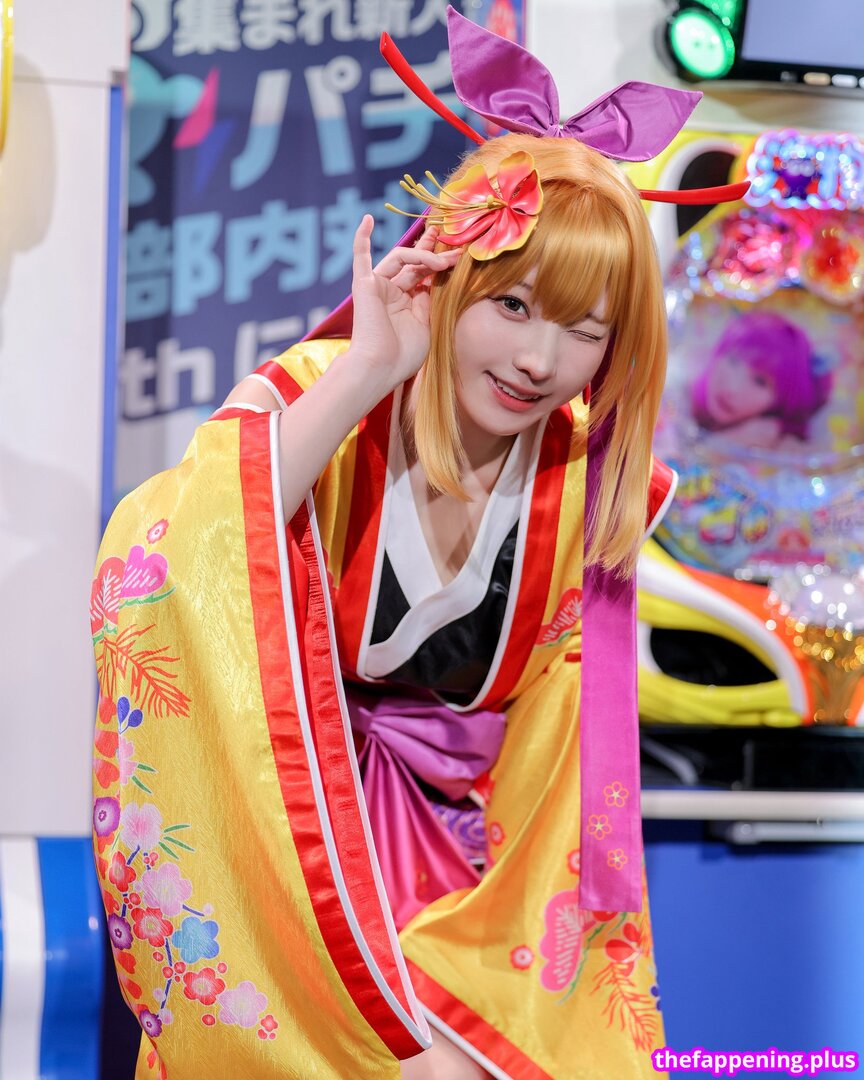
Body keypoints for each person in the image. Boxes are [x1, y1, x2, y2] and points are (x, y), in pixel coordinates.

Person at [90, 11, 748, 1077]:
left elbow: (561, 788)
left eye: (585, 331)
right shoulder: (333, 398)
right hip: (285, 855)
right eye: (513, 305)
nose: (539, 360)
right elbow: (176, 554)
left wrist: (460, 1013)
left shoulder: (588, 486)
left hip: (464, 902)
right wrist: (364, 368)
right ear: (447, 278)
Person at [690, 311, 831, 450]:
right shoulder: (683, 398)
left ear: (782, 400)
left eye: (760, 381)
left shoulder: (781, 445)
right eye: (733, 360)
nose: (732, 388)